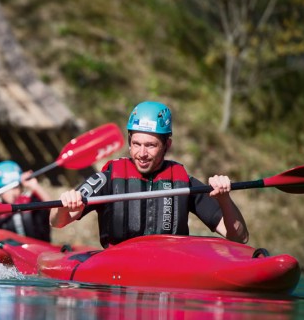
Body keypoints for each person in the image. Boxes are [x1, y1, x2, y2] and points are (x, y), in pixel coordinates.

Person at [50, 101, 249, 247]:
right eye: (136, 144)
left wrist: (224, 199)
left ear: (167, 145)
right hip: (119, 270)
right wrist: (64, 207)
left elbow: (239, 237)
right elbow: (57, 222)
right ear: (129, 142)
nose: (142, 153)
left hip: (168, 270)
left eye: (151, 145)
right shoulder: (109, 179)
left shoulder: (183, 182)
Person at [0, 160, 53, 242]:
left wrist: (35, 186)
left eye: (15, 187)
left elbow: (53, 210)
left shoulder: (32, 204)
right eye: (7, 188)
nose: (13, 193)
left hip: (41, 252)